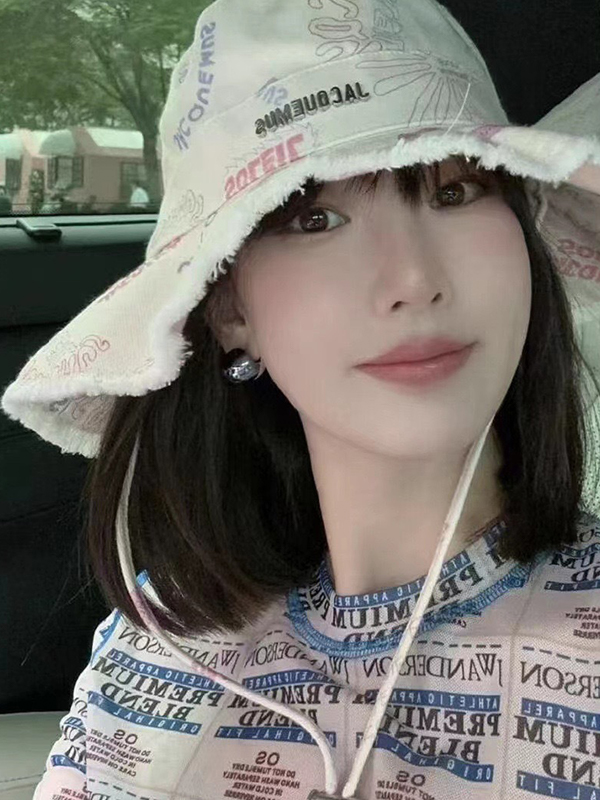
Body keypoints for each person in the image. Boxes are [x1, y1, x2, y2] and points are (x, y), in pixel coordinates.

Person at [2, 1, 600, 799]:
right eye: (315, 218)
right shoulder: (159, 638)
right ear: (228, 311)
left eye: (457, 191)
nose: (413, 279)